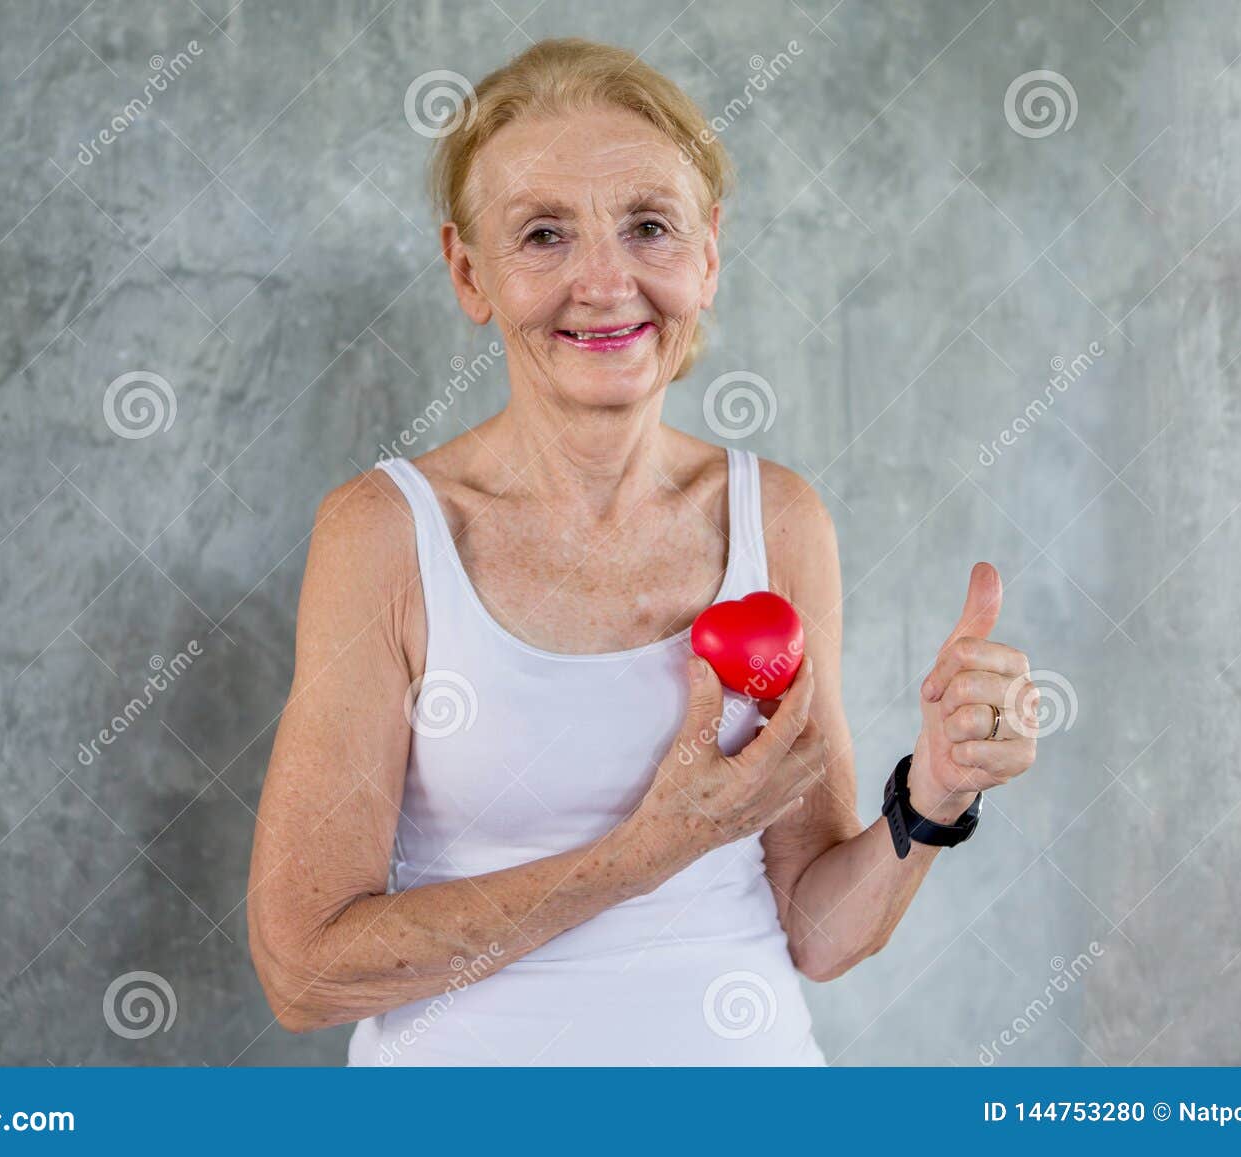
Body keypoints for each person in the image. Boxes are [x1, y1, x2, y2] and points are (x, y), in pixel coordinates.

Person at [246, 37, 1039, 1065]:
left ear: (706, 255)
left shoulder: (778, 519)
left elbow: (817, 926)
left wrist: (933, 790)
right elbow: (306, 971)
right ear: (468, 271)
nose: (604, 280)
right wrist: (644, 853)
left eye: (647, 227)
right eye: (542, 234)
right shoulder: (385, 533)